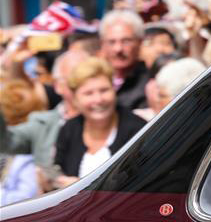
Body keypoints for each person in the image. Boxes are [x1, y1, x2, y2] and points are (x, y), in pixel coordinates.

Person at [53, 58, 146, 188]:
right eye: (88, 93)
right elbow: (59, 173)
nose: (98, 99)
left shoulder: (138, 130)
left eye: (104, 90)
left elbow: (140, 181)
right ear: (75, 98)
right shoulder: (69, 129)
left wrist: (81, 187)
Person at [0, 48, 87, 173]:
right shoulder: (43, 123)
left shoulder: (112, 118)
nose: (83, 86)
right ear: (58, 85)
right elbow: (7, 142)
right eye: (74, 80)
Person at [99, 9, 149, 110]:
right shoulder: (94, 81)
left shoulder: (149, 84)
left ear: (140, 43)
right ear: (102, 44)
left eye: (126, 41)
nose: (118, 49)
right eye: (112, 42)